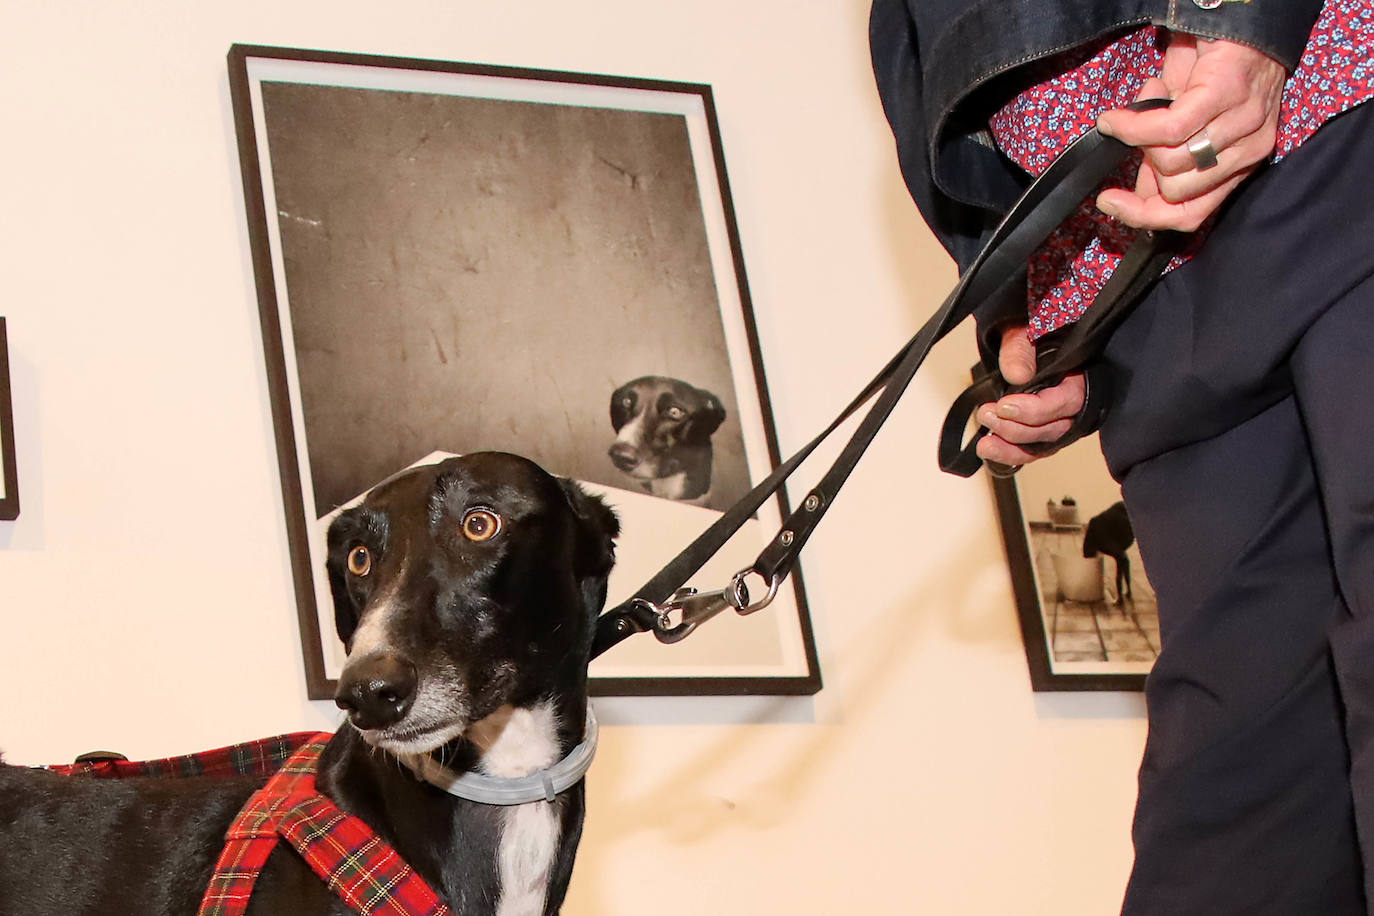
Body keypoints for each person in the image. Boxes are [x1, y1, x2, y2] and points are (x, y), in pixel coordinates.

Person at [869, 1, 1374, 913]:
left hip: (1340, 108)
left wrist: (1253, 18)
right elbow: (926, 55)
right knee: (1234, 795)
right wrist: (1027, 314)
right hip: (1155, 292)